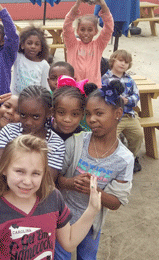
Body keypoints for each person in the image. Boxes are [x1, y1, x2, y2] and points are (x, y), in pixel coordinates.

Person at [0, 134, 102, 260]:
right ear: (4, 169)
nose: (27, 181)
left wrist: (92, 210)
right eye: (20, 171)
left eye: (35, 174)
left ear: (44, 174)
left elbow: (69, 242)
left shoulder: (53, 198)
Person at [55, 79, 134, 260]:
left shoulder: (124, 160)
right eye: (88, 114)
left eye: (99, 113)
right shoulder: (75, 143)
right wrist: (71, 183)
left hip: (92, 224)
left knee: (87, 257)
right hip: (62, 220)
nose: (91, 120)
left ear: (118, 113)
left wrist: (96, 192)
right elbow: (54, 180)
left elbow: (115, 203)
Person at [0, 85, 65, 180]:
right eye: (23, 115)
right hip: (4, 191)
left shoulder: (56, 144)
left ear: (49, 113)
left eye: (35, 117)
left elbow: (47, 183)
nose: (28, 122)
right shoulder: (9, 131)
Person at [102, 49, 143, 173]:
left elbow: (136, 96)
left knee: (138, 135)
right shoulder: (105, 78)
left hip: (128, 115)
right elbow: (101, 95)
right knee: (112, 138)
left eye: (126, 62)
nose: (123, 64)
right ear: (113, 61)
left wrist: (128, 100)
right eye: (120, 60)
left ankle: (132, 157)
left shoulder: (130, 80)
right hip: (113, 117)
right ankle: (116, 160)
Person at [62, 0, 113, 87]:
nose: (86, 33)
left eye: (90, 30)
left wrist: (103, 5)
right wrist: (77, 4)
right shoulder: (72, 44)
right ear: (77, 31)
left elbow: (109, 28)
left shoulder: (98, 45)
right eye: (82, 29)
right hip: (73, 87)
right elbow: (67, 26)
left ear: (96, 32)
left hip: (93, 88)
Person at [10, 26, 51, 95]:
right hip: (15, 101)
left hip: (33, 103)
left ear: (41, 48)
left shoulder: (44, 65)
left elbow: (45, 87)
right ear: (22, 45)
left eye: (37, 44)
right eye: (29, 43)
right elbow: (10, 40)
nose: (33, 46)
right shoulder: (18, 57)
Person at [51, 75, 89, 141]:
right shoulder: (43, 132)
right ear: (53, 112)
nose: (67, 119)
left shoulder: (84, 139)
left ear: (82, 115)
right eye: (61, 113)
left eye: (74, 114)